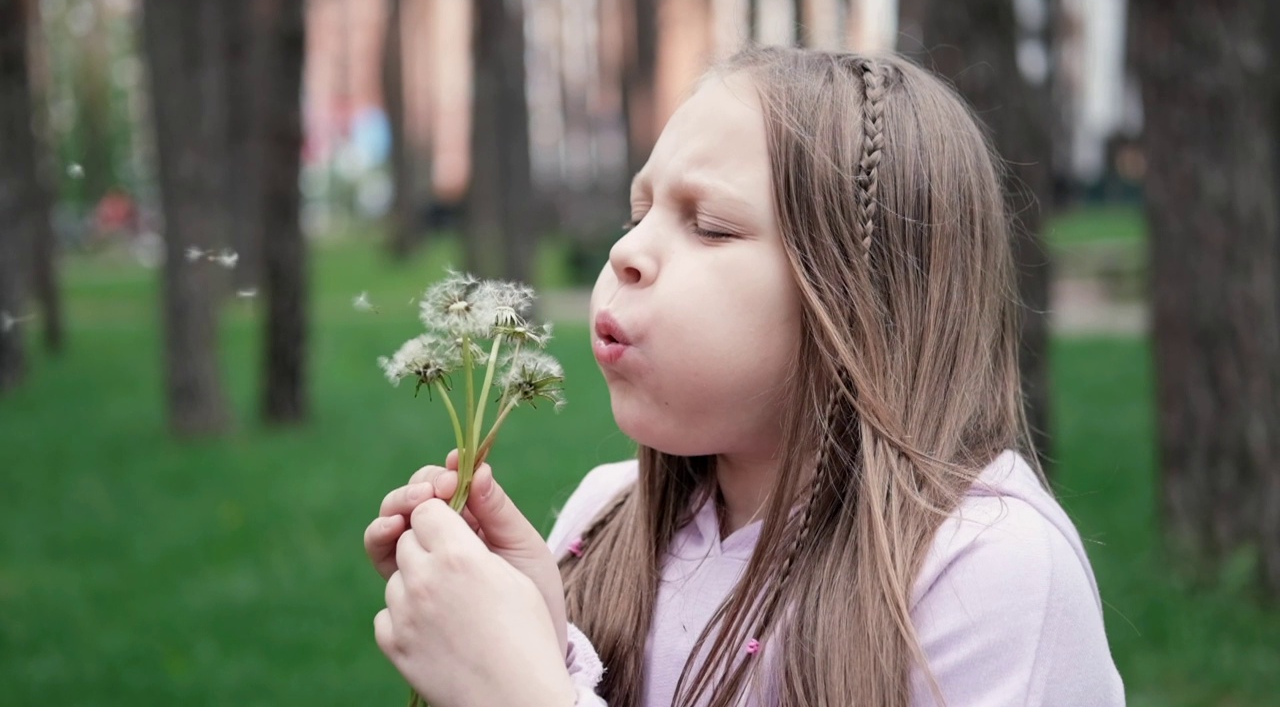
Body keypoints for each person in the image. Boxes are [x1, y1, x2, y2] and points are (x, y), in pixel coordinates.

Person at [363, 46, 1126, 707]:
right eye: (639, 210)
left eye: (710, 225)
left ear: (863, 297)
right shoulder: (602, 525)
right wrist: (531, 631)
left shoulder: (988, 573)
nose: (625, 253)